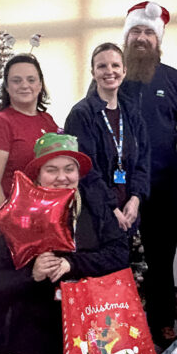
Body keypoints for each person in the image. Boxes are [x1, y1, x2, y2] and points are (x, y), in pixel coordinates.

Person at [0, 134, 129, 354]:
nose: (62, 177)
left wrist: (72, 263)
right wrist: (32, 274)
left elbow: (119, 254)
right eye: (52, 170)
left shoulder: (96, 208)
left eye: (69, 169)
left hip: (91, 321)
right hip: (32, 329)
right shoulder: (15, 215)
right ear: (38, 175)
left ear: (78, 173)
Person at [118, 1, 177, 344]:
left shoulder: (174, 80)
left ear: (158, 39)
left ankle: (163, 326)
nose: (141, 38)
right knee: (116, 262)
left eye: (148, 32)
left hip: (161, 191)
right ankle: (118, 327)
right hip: (117, 192)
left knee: (161, 264)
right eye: (135, 31)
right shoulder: (111, 75)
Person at [64, 42, 150, 235]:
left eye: (115, 65)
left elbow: (143, 163)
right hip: (95, 217)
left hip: (129, 214)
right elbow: (85, 169)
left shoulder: (132, 113)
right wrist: (111, 208)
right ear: (93, 72)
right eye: (102, 66)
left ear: (124, 70)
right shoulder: (81, 115)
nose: (109, 71)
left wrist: (135, 199)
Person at [0, 53, 59, 212]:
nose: (24, 85)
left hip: (45, 215)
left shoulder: (47, 120)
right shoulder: (0, 123)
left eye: (31, 80)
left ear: (40, 85)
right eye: (16, 81)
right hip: (15, 218)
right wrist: (7, 224)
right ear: (7, 87)